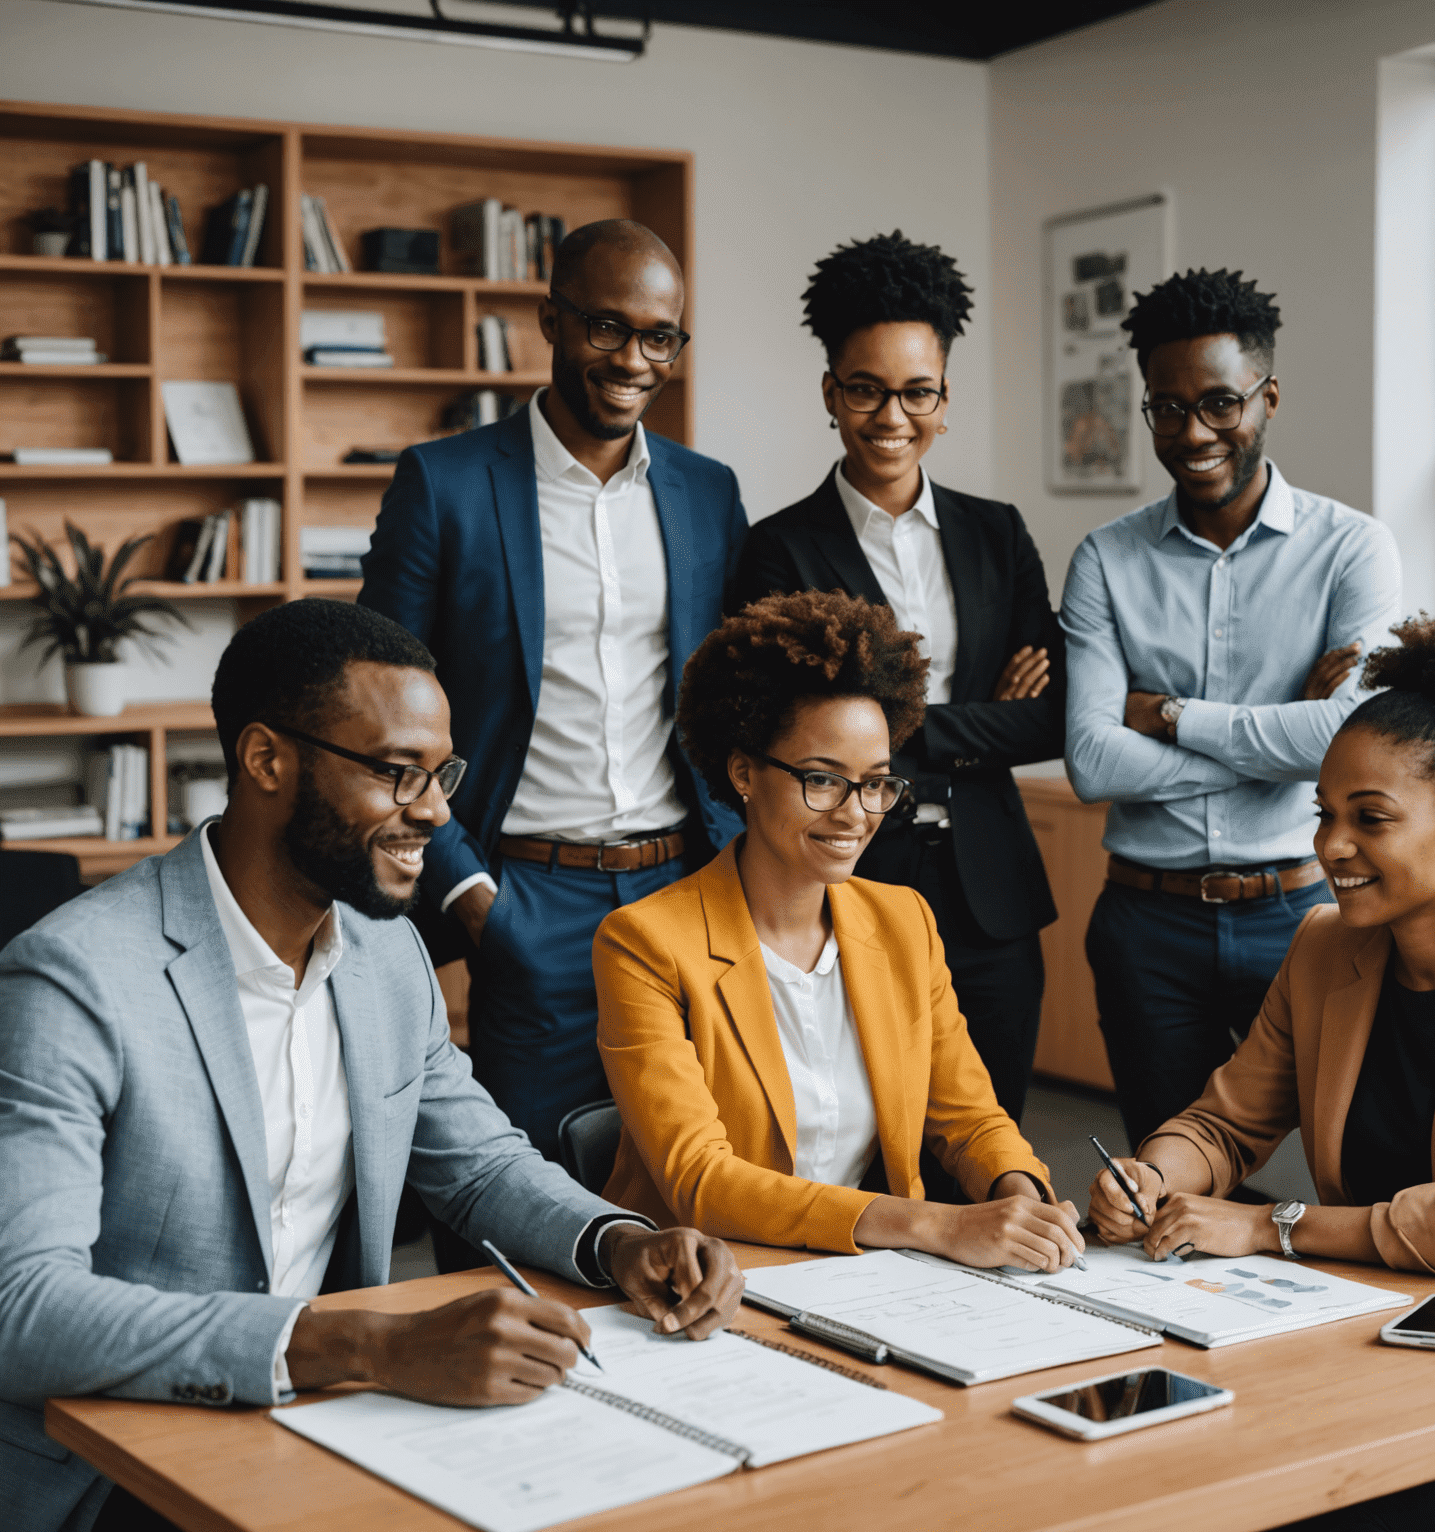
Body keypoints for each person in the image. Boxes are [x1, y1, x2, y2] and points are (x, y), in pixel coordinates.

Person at [0, 599, 743, 1532]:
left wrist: (619, 1244)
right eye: (398, 774)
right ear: (267, 760)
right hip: (117, 1463)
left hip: (329, 1424)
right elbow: (21, 1310)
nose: (434, 811)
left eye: (441, 775)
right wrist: (364, 1342)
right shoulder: (74, 979)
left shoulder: (388, 957)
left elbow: (480, 1167)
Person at [1089, 612, 1435, 1532]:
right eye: (1324, 814)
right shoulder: (1327, 947)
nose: (1330, 846)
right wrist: (1152, 1174)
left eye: (1370, 819)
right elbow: (1225, 1123)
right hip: (1363, 1328)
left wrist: (1270, 1225)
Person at [359, 218, 747, 1166]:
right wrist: (472, 894)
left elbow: (741, 692)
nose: (633, 358)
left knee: (689, 1172)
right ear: (551, 320)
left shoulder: (708, 491)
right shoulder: (444, 482)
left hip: (685, 888)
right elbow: (373, 706)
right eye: (606, 327)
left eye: (660, 336)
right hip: (524, 893)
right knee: (516, 1180)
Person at [594, 590, 1084, 1269]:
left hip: (857, 1276)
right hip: (703, 1280)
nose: (856, 814)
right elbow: (699, 1180)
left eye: (878, 783)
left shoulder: (904, 921)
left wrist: (1020, 1193)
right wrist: (933, 1224)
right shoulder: (645, 942)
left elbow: (970, 1117)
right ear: (743, 772)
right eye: (823, 780)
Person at [1061, 267, 1402, 1151]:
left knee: (1359, 1158)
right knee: (1166, 1176)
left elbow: (1347, 739)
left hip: (1304, 914)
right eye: (1166, 408)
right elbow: (1093, 764)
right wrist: (1283, 733)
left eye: (1220, 404)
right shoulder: (1105, 558)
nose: (1193, 432)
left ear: (1268, 397)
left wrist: (1169, 714)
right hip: (1147, 926)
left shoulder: (1353, 551)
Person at [730, 231, 1063, 1128]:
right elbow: (794, 735)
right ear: (832, 392)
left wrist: (887, 722)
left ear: (945, 399)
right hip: (843, 882)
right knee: (867, 1138)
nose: (892, 416)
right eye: (867, 389)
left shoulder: (998, 534)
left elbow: (1053, 722)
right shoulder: (779, 549)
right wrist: (975, 715)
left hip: (991, 897)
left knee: (994, 1140)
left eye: (917, 391)